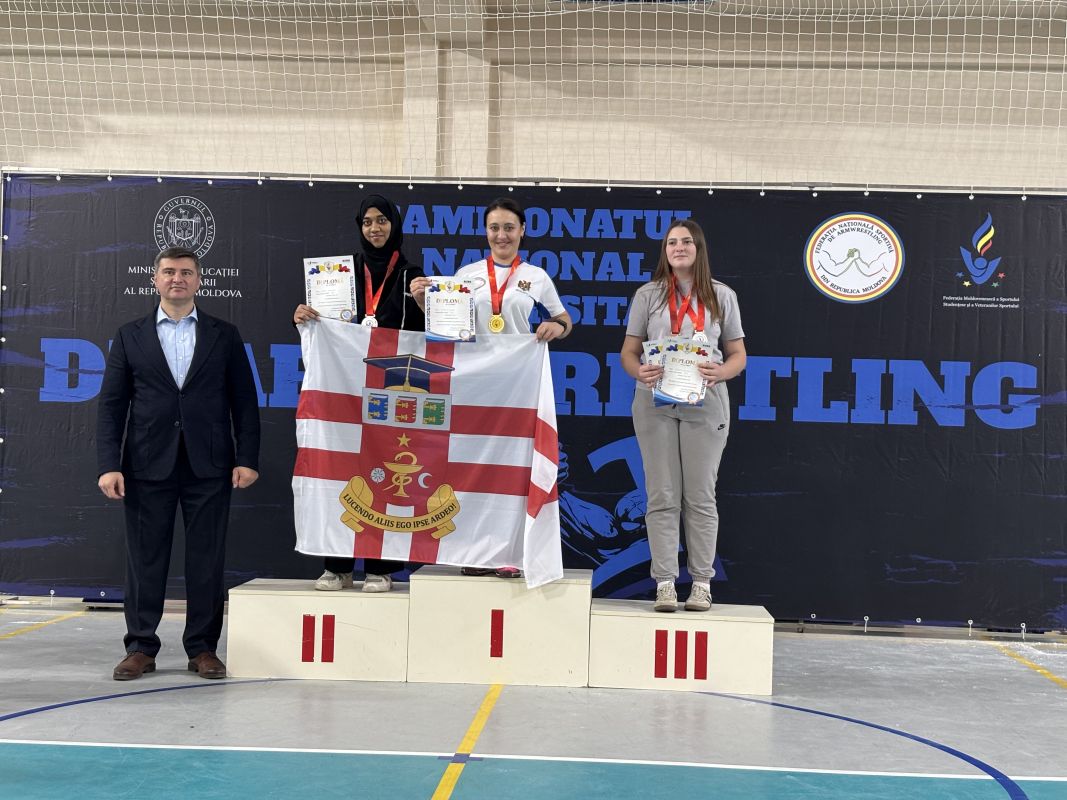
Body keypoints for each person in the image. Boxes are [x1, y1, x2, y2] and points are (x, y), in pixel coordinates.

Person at [97, 246, 260, 680]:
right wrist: (108, 465)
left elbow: (244, 402)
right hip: (146, 464)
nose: (177, 279)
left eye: (186, 272)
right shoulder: (130, 335)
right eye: (168, 272)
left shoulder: (224, 334)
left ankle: (203, 649)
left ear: (199, 280)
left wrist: (247, 457)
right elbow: (112, 406)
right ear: (155, 279)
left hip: (209, 465)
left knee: (206, 560)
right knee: (145, 559)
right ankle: (141, 648)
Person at [410, 196, 573, 577]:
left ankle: (511, 554)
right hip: (473, 386)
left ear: (522, 231)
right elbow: (446, 327)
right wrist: (422, 301)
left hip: (518, 387)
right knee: (471, 468)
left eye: (509, 227)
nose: (502, 235)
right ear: (486, 232)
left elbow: (564, 319)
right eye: (495, 228)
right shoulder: (466, 276)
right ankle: (472, 552)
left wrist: (557, 327)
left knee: (513, 470)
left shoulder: (536, 276)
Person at [294, 194, 426, 592]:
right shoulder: (339, 273)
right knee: (341, 471)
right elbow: (324, 328)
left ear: (395, 224)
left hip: (389, 392)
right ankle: (337, 565)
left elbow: (432, 334)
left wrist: (425, 301)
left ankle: (380, 567)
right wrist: (303, 319)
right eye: (367, 221)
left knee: (386, 471)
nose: (375, 228)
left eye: (382, 220)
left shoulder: (411, 275)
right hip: (344, 391)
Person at [620, 219, 746, 612]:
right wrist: (637, 369)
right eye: (671, 242)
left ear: (699, 248)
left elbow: (739, 355)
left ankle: (702, 583)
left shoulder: (721, 295)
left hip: (705, 401)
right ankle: (665, 583)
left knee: (700, 496)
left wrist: (720, 371)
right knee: (661, 495)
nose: (678, 247)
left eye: (686, 241)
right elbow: (628, 351)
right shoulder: (648, 295)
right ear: (665, 250)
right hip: (653, 399)